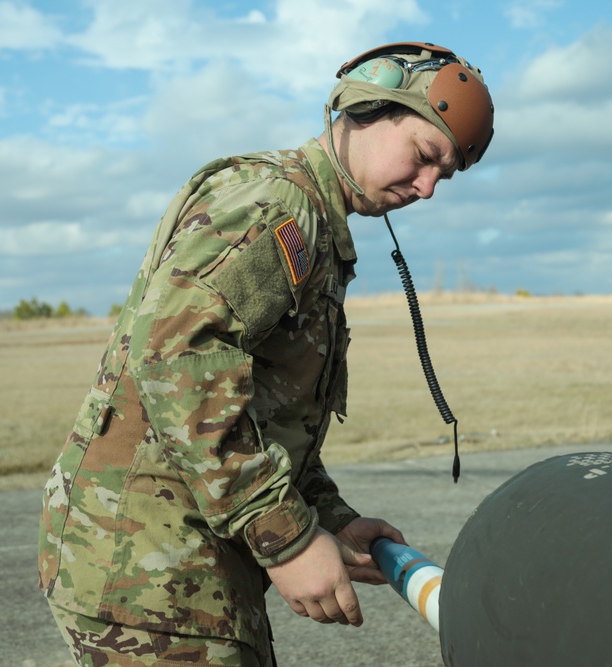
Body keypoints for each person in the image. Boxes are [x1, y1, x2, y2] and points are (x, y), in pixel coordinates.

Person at [37, 41, 494, 666]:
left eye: (445, 175)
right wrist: (285, 539)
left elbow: (266, 411)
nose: (428, 188)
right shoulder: (278, 207)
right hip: (152, 575)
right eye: (424, 156)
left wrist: (328, 519)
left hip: (176, 571)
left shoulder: (315, 225)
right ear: (367, 107)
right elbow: (177, 360)